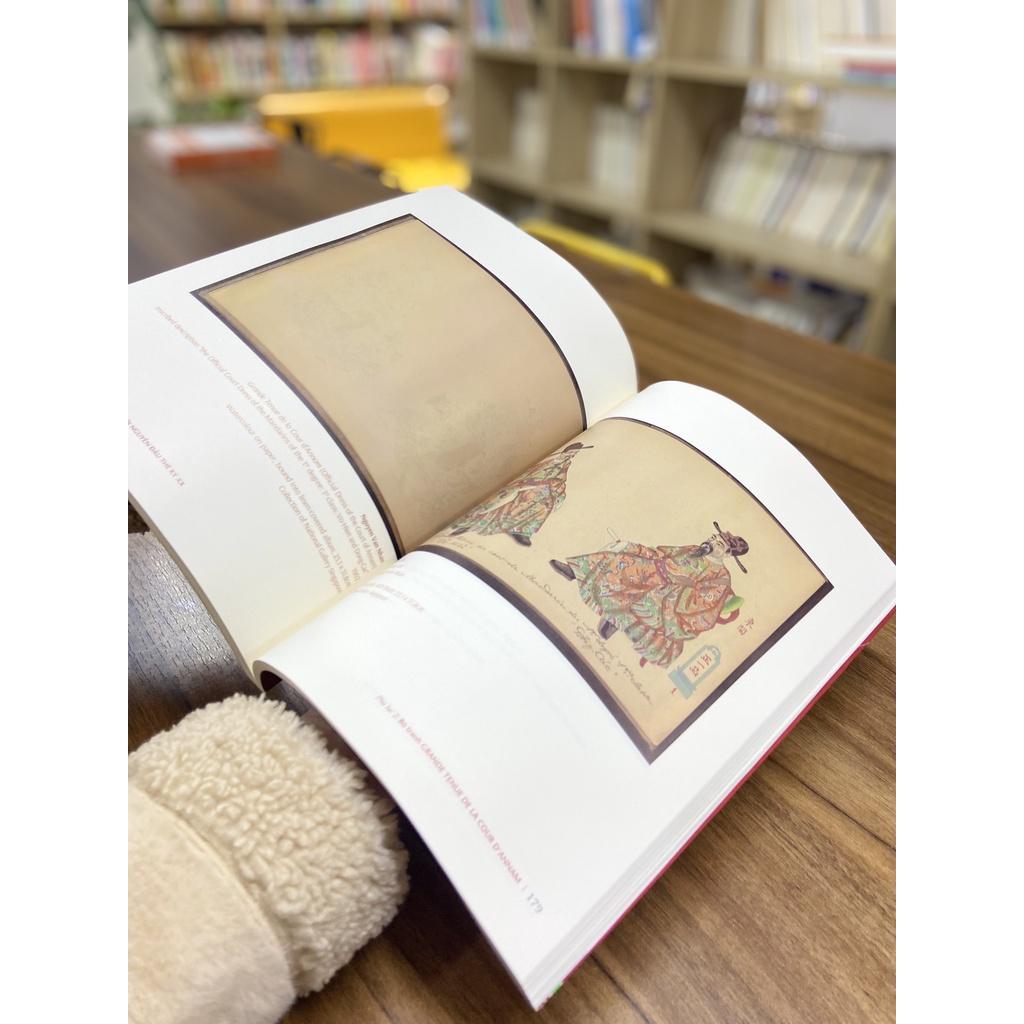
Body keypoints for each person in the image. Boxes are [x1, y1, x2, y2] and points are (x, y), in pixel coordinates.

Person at [550, 526, 749, 668]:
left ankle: (614, 620)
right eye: (713, 538)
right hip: (653, 570)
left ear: (727, 554)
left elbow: (703, 605)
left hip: (671, 597)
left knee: (645, 594)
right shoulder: (692, 550)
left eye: (718, 544)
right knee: (622, 561)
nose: (711, 543)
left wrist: (677, 587)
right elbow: (662, 554)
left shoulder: (720, 577)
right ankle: (576, 571)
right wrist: (631, 547)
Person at [447, 442, 592, 546]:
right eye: (572, 452)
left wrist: (557, 487)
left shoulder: (566, 463)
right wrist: (543, 483)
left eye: (575, 453)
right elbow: (536, 473)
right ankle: (475, 524)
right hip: (529, 485)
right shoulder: (554, 459)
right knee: (530, 499)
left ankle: (522, 530)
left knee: (545, 504)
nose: (573, 455)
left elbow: (559, 479)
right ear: (567, 451)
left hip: (543, 489)